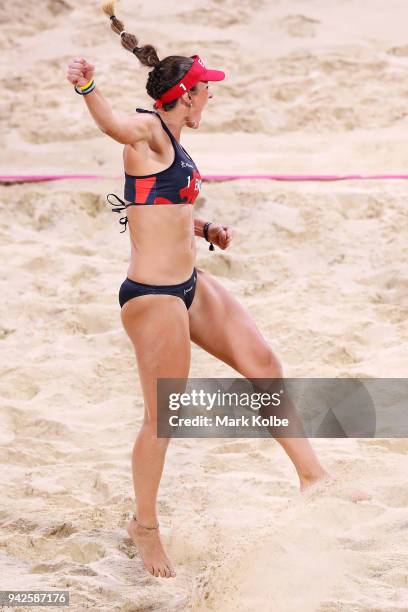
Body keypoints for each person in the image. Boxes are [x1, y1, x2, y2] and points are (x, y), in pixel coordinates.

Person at [66, 0, 363, 580]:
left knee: (263, 362)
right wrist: (88, 87)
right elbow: (112, 127)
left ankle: (313, 477)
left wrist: (203, 228)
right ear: (185, 95)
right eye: (206, 91)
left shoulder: (174, 142)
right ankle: (144, 527)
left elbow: (157, 207)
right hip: (153, 297)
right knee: (164, 415)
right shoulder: (149, 130)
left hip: (189, 285)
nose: (211, 98)